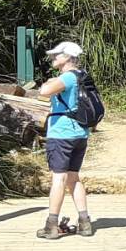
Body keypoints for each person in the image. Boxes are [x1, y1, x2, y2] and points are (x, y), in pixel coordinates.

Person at [37, 41, 94, 239]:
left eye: (57, 55)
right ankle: (85, 222)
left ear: (68, 57)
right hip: (80, 134)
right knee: (73, 177)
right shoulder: (82, 76)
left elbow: (44, 92)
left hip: (62, 134)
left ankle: (51, 224)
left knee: (59, 178)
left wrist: (47, 83)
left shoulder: (68, 77)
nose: (53, 58)